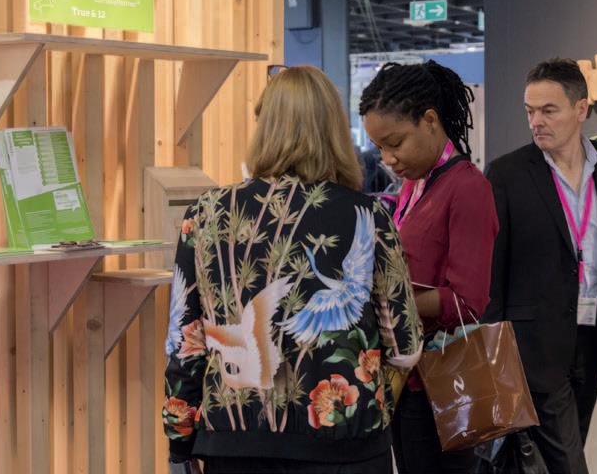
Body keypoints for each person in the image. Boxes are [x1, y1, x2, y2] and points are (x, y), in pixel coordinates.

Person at [163, 65, 423, 474]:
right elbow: (404, 346)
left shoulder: (206, 213)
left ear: (263, 127)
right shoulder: (368, 216)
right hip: (344, 444)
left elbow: (185, 342)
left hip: (235, 443)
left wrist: (180, 439)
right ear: (333, 131)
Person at [484, 58, 597, 474]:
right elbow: (493, 269)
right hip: (534, 344)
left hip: (593, 336)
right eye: (529, 111)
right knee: (568, 460)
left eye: (548, 110)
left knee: (565, 450)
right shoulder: (507, 173)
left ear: (580, 109)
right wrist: (494, 353)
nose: (536, 122)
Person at [360, 61, 499, 474]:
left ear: (430, 120)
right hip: (406, 376)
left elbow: (468, 302)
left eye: (395, 143)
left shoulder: (468, 187)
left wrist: (388, 303)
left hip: (441, 383)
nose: (388, 159)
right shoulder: (415, 184)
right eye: (379, 148)